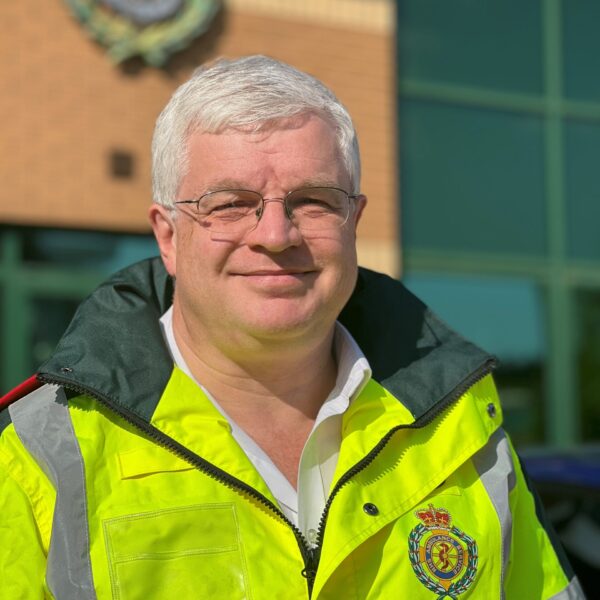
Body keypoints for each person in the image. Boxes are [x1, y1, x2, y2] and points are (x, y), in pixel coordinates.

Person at [0, 55, 582, 599]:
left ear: (354, 221)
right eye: (229, 202)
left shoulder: (465, 434)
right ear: (168, 236)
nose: (276, 235)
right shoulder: (41, 456)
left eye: (312, 201)